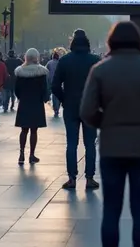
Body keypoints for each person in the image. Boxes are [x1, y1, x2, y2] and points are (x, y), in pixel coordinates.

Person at [80, 20, 140, 247]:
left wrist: (105, 123)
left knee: (111, 210)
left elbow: (86, 110)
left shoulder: (100, 70)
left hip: (111, 146)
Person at [52, 29, 102, 190]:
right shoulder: (95, 60)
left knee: (71, 143)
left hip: (71, 106)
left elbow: (54, 85)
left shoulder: (65, 60)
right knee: (90, 144)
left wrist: (64, 99)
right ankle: (89, 178)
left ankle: (72, 178)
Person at [13, 48, 50, 164]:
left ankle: (21, 153)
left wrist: (21, 98)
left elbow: (17, 89)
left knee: (23, 130)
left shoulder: (20, 72)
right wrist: (45, 99)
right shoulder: (41, 72)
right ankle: (32, 155)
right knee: (34, 131)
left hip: (24, 103)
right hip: (36, 104)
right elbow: (45, 89)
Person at [46, 51, 61, 117]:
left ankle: (55, 108)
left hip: (51, 81)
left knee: (54, 95)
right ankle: (57, 107)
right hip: (60, 81)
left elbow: (46, 72)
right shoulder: (60, 63)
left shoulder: (49, 63)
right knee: (58, 95)